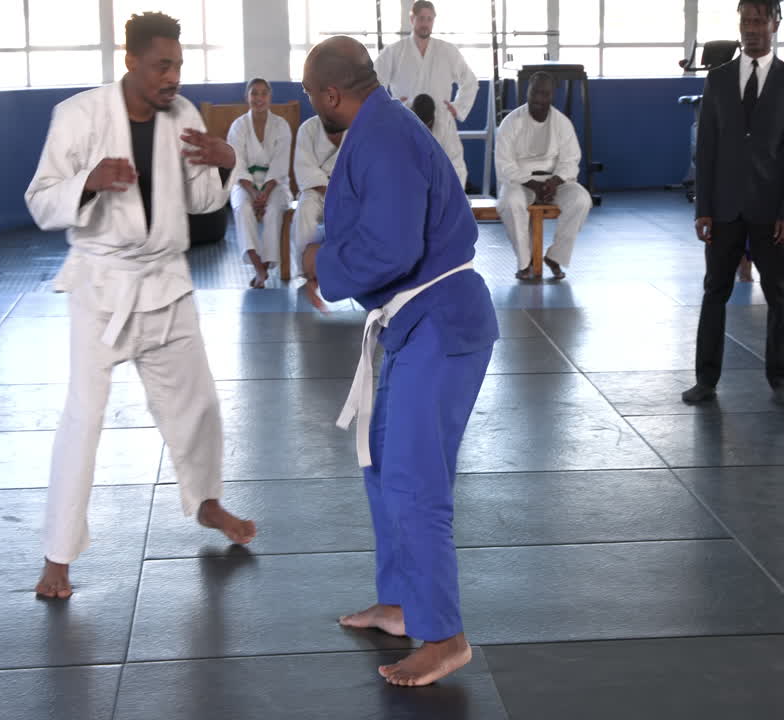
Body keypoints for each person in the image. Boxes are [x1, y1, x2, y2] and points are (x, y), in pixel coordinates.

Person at [24, 11, 256, 599]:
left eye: (178, 65)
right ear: (130, 61)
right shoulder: (78, 116)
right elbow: (41, 201)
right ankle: (58, 556)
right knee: (84, 419)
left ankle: (207, 503)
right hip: (102, 290)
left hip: (167, 282)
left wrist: (225, 162)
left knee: (199, 403)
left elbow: (202, 200)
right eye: (162, 65)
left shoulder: (183, 115)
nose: (173, 76)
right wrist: (88, 182)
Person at [300, 36, 498, 687]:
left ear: (331, 94)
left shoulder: (380, 135)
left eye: (310, 97)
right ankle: (401, 602)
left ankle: (445, 637)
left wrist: (320, 264)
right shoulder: (379, 129)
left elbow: (390, 245)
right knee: (383, 458)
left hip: (442, 325)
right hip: (418, 326)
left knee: (417, 481)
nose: (312, 107)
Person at [684, 0, 784, 408]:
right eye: (746, 21)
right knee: (714, 291)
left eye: (759, 21)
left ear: (775, 24)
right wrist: (703, 206)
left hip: (772, 210)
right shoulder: (718, 79)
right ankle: (706, 379)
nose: (751, 29)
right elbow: (706, 149)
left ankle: (781, 379)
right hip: (723, 208)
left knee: (779, 294)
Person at [494, 72, 592, 281]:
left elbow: (571, 160)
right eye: (535, 92)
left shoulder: (562, 123)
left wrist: (554, 182)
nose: (539, 98)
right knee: (511, 202)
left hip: (554, 181)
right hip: (520, 181)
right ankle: (525, 262)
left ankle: (555, 256)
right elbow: (505, 164)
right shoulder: (511, 122)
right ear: (528, 91)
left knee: (581, 199)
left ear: (552, 96)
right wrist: (532, 184)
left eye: (544, 94)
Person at [374, 0, 478, 189]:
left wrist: (458, 107)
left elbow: (470, 81)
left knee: (455, 168)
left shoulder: (447, 51)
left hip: (440, 117)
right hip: (405, 118)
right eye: (421, 18)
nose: (425, 23)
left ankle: (452, 210)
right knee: (401, 169)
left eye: (429, 19)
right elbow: (374, 83)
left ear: (434, 21)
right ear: (412, 19)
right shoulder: (395, 51)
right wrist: (390, 107)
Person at [227, 78, 294, 288]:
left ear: (270, 97)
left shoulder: (281, 126)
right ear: (247, 97)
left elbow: (280, 163)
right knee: (242, 208)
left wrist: (265, 191)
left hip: (275, 183)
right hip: (244, 182)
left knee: (274, 209)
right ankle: (258, 267)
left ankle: (266, 266)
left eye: (263, 93)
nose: (259, 98)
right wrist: (254, 192)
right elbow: (236, 162)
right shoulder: (238, 126)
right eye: (254, 93)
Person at [290, 115, 343, 278]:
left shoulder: (355, 128)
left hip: (345, 190)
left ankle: (346, 268)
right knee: (305, 210)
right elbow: (305, 168)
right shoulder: (307, 129)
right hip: (315, 190)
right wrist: (327, 190)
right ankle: (307, 268)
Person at [411, 93, 467, 187]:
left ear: (433, 118)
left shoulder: (445, 125)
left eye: (427, 126)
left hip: (437, 181)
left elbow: (456, 164)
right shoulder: (400, 121)